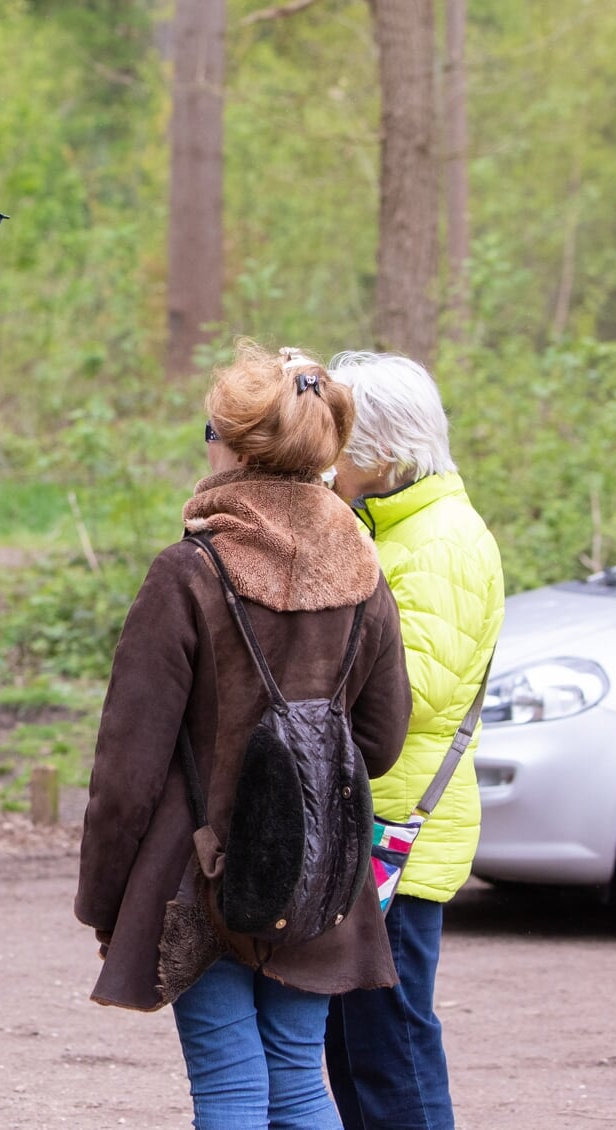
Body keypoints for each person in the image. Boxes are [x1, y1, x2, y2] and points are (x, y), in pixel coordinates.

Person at [75, 342, 412, 1129]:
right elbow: (384, 739)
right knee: (298, 1081)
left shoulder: (188, 572)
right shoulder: (366, 572)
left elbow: (127, 774)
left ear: (230, 445)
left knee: (230, 1090)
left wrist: (106, 904)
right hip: (321, 873)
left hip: (203, 874)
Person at [322, 352, 504, 1130]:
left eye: (340, 432)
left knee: (392, 1046)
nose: (324, 446)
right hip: (375, 819)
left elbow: (418, 695)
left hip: (401, 831)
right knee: (355, 1045)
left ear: (386, 454)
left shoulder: (444, 541)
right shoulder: (390, 526)